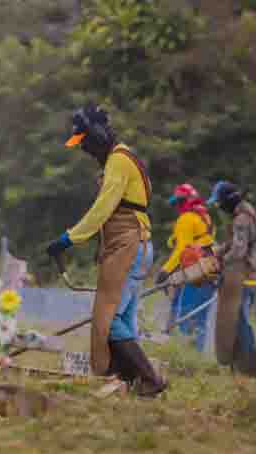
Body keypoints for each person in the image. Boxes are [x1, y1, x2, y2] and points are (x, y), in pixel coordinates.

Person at [46, 102, 167, 397]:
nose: (84, 149)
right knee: (123, 321)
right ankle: (129, 383)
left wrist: (68, 239)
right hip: (134, 245)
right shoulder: (119, 159)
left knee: (109, 322)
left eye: (85, 141)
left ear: (98, 135)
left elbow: (102, 209)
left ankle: (150, 379)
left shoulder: (119, 161)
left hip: (129, 246)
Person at [207, 181, 256, 377]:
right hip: (246, 274)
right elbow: (235, 243)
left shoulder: (241, 219)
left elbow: (239, 250)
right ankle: (242, 366)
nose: (219, 207)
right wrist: (218, 250)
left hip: (244, 275)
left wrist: (220, 260)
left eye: (220, 202)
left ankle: (253, 365)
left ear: (229, 200)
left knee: (240, 320)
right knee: (236, 320)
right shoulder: (246, 214)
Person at [156, 183, 217, 352]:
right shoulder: (204, 216)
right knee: (200, 318)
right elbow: (199, 240)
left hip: (196, 270)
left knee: (186, 315)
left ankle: (184, 357)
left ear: (183, 202)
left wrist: (165, 271)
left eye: (178, 203)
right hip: (211, 267)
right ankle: (196, 357)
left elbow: (182, 248)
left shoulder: (185, 219)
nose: (176, 208)